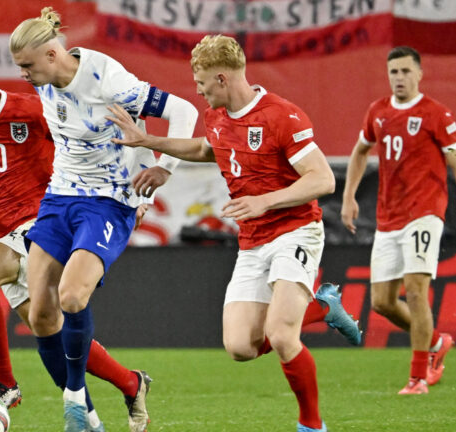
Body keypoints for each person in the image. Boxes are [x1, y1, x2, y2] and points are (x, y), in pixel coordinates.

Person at [107, 35, 362, 432]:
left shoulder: (282, 116)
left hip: (295, 230)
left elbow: (323, 179)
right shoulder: (218, 117)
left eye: (201, 82)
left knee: (280, 336)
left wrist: (266, 201)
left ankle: (311, 425)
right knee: (240, 348)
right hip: (252, 240)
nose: (198, 89)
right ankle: (324, 308)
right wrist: (150, 144)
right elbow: (208, 151)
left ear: (222, 79)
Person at [0, 45, 157, 431]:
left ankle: (5, 382)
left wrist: (131, 194)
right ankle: (128, 384)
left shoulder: (32, 109)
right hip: (1, 233)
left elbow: (93, 143)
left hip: (44, 225)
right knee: (51, 335)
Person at [9, 7, 198, 432]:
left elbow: (184, 111)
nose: (22, 74)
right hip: (59, 198)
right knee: (40, 316)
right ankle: (93, 419)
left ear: (53, 54)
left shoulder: (107, 79)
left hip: (108, 202)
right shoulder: (47, 80)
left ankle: (74, 396)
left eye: (27, 66)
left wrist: (164, 166)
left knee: (72, 297)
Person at [341, 46, 456, 395]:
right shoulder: (377, 111)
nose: (399, 78)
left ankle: (418, 377)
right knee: (381, 302)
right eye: (393, 72)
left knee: (416, 290)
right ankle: (437, 342)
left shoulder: (436, 113)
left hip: (424, 214)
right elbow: (360, 151)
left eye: (406, 72)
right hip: (387, 217)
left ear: (420, 74)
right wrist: (348, 197)